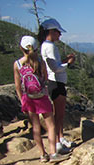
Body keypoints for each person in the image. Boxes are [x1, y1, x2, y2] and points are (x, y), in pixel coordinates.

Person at [13, 36, 68, 163]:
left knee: (36, 127)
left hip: (29, 99)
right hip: (42, 97)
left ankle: (43, 154)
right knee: (51, 125)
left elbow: (17, 86)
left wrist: (22, 101)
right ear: (36, 49)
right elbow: (46, 79)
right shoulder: (40, 62)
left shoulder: (18, 64)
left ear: (21, 48)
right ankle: (53, 152)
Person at [37, 18, 75, 154]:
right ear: (51, 31)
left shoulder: (45, 46)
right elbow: (55, 68)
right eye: (58, 32)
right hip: (57, 82)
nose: (60, 35)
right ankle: (58, 143)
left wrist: (63, 60)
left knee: (59, 114)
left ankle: (61, 138)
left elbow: (53, 64)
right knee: (59, 115)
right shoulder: (50, 46)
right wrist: (68, 63)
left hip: (54, 83)